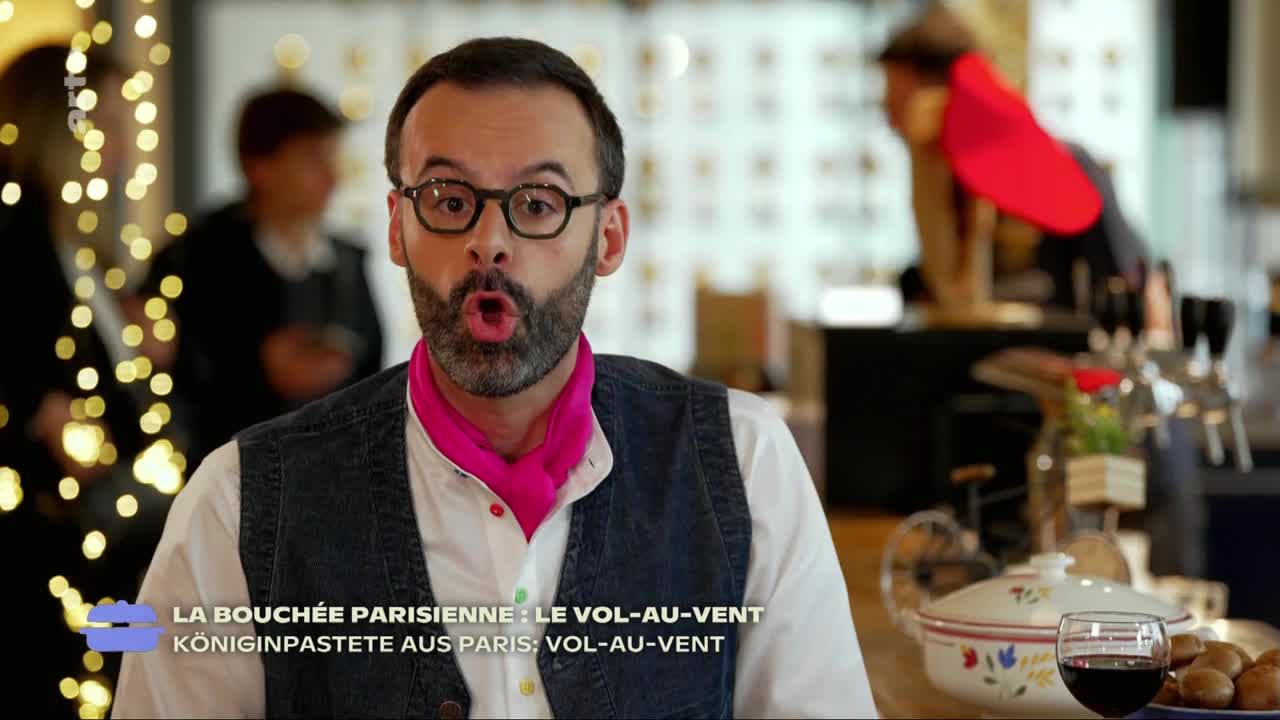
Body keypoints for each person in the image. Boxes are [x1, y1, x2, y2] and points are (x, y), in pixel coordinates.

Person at [115, 38, 876, 718]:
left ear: (607, 238)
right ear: (395, 226)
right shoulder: (240, 505)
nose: (489, 243)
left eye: (538, 204)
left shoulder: (741, 467)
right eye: (448, 200)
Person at [878, 4, 1203, 577]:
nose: (887, 113)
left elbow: (1134, 291)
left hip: (1111, 442)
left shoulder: (1057, 172)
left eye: (897, 95)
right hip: (1029, 449)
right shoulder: (950, 194)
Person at [0, 44, 170, 717]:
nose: (126, 144)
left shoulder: (83, 250)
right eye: (109, 121)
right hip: (47, 556)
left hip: (107, 541)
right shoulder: (18, 244)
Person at [144, 89, 384, 468]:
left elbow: (373, 367)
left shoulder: (347, 261)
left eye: (332, 159)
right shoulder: (195, 258)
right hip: (222, 475)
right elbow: (163, 372)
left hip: (330, 476)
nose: (332, 177)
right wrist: (257, 371)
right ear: (260, 167)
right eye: (312, 160)